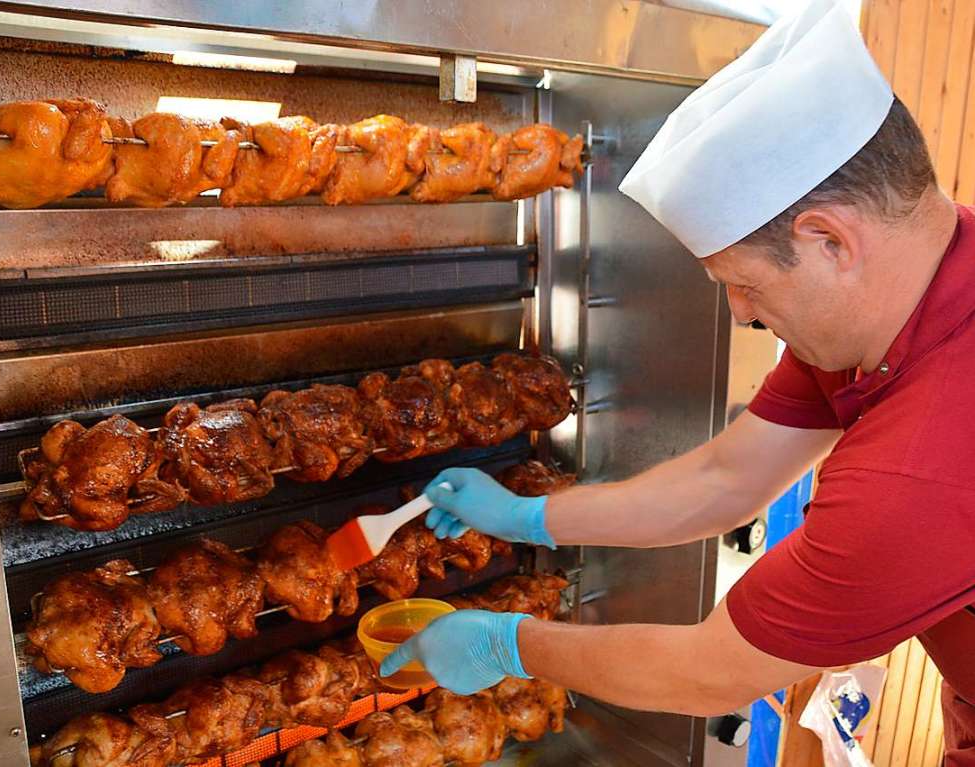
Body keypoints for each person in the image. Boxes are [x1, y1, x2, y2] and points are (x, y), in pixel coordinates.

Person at [378, 0, 975, 762]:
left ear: (828, 240)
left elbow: (709, 673)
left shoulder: (920, 467)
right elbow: (726, 476)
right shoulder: (899, 299)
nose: (741, 313)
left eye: (745, 284)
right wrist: (533, 517)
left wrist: (510, 644)